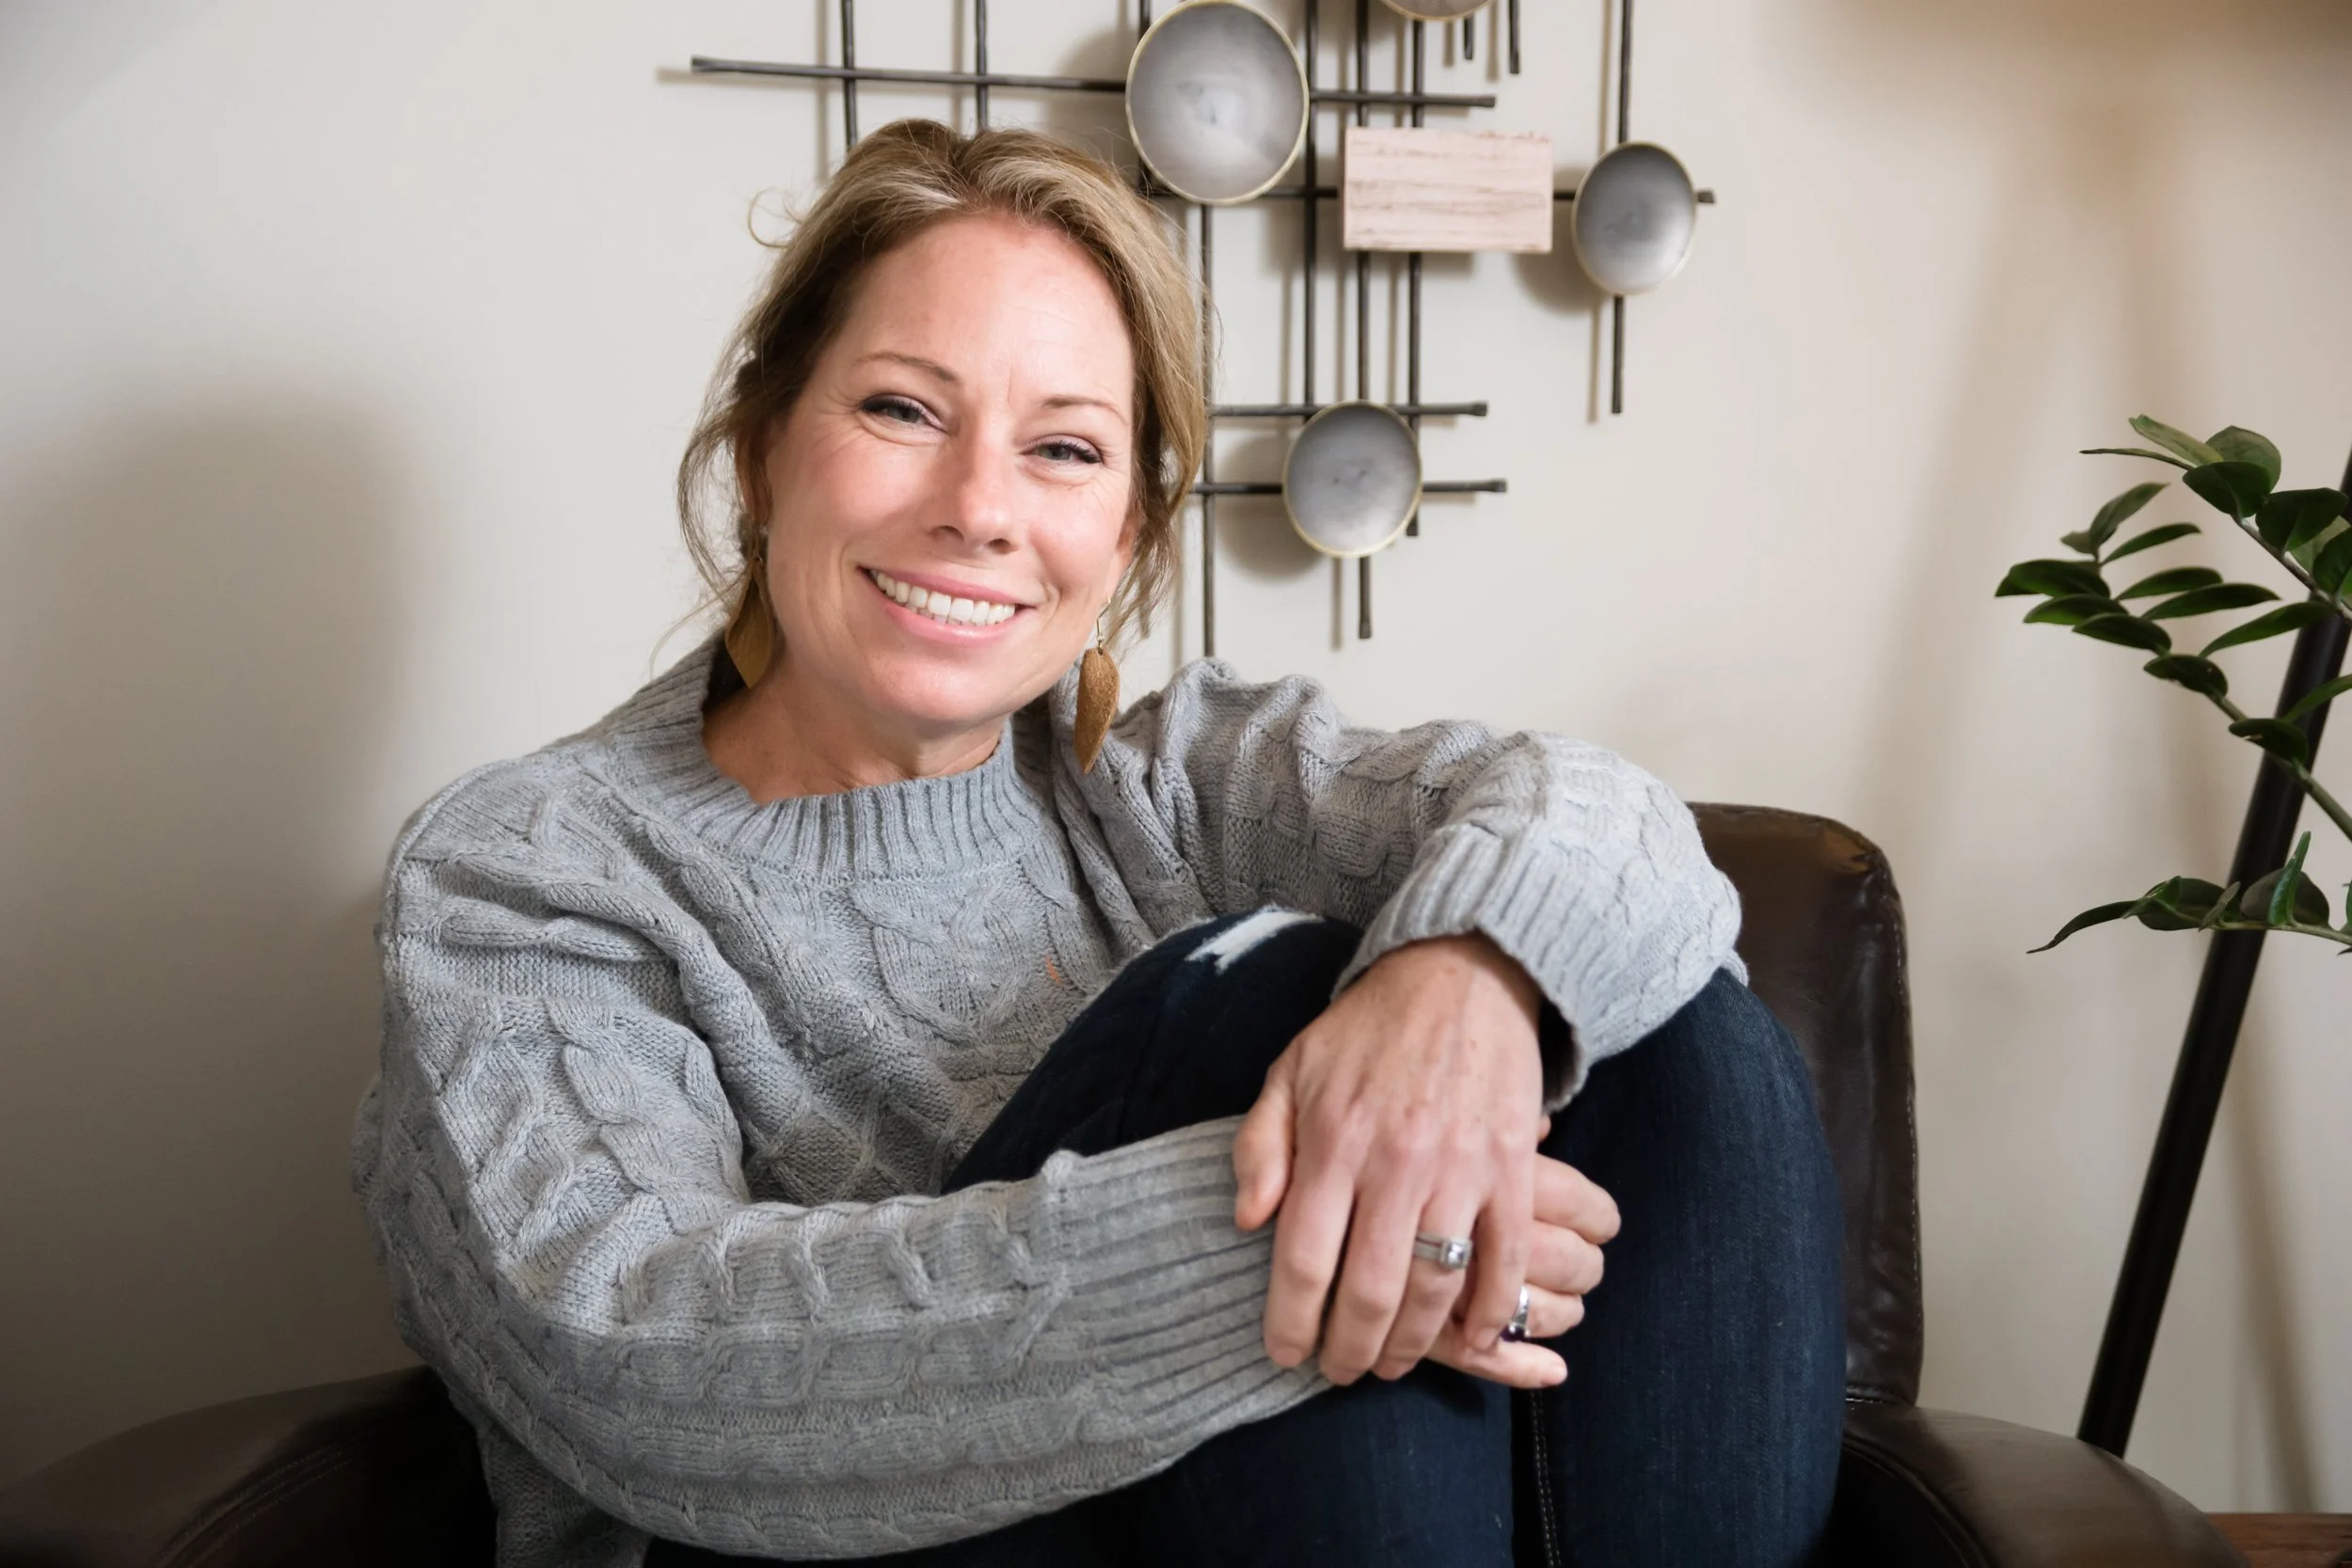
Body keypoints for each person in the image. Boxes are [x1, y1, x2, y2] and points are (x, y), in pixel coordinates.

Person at [351, 119, 1844, 1568]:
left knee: (1676, 1036)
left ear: (1126, 535)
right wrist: (1302, 1234)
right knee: (1266, 994)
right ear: (760, 453)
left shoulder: (1172, 780)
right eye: (901, 411)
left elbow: (1612, 822)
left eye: (1063, 449)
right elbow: (630, 1350)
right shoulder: (530, 867)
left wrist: (1465, 991)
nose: (981, 509)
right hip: (774, 1543)